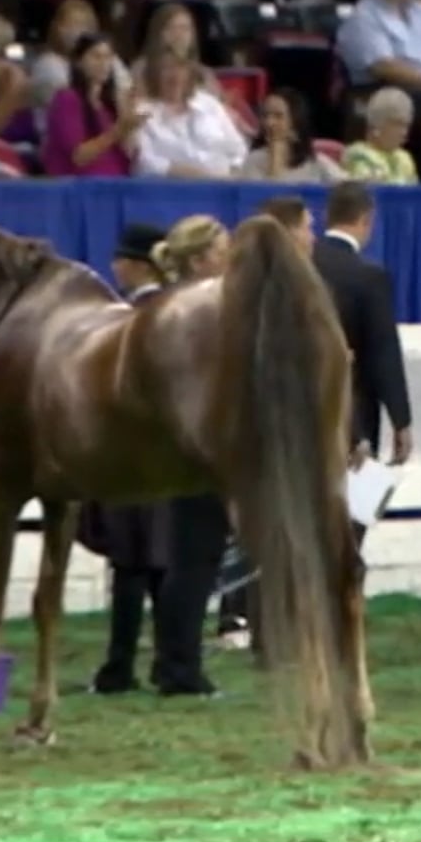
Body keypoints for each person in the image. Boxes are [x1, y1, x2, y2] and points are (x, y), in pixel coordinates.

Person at [138, 215, 237, 695]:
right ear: (200, 261)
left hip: (174, 447)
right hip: (193, 448)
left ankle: (172, 659)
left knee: (189, 559)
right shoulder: (191, 314)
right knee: (194, 559)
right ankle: (181, 667)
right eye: (223, 250)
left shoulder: (170, 307)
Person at [81, 224, 179, 694]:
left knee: (131, 568)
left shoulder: (131, 318)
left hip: (130, 454)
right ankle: (166, 658)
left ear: (136, 264)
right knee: (159, 566)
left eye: (120, 259)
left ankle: (121, 664)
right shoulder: (171, 311)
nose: (114, 266)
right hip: (163, 455)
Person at [312, 182, 413, 485]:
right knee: (354, 509)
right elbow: (383, 353)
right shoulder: (368, 276)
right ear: (366, 219)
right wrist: (401, 419)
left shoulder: (300, 265)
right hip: (353, 408)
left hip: (302, 405)